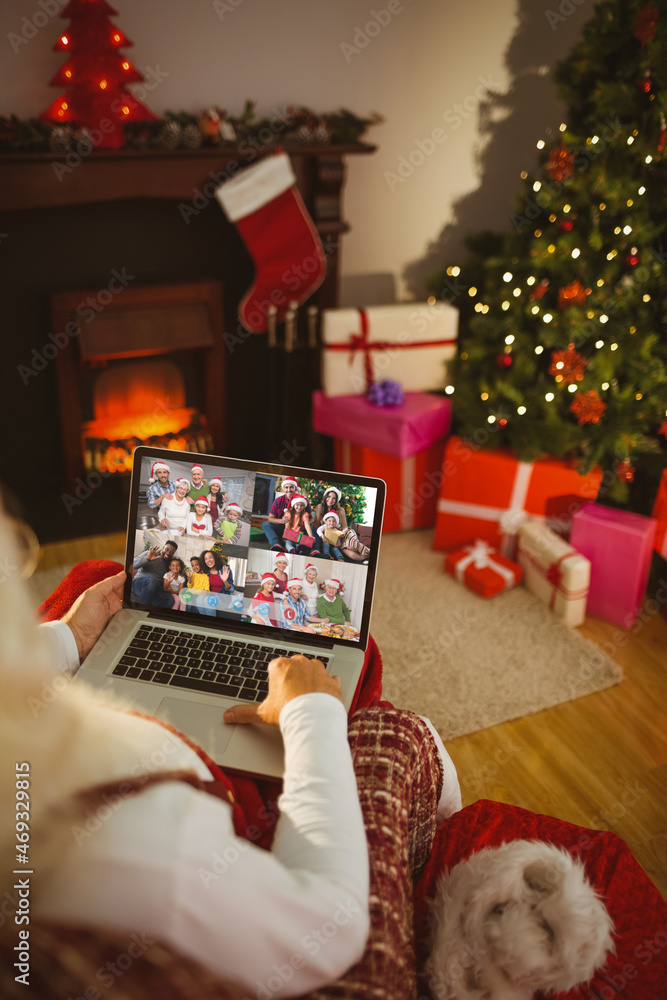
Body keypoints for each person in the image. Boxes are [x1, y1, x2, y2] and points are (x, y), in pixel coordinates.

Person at [3, 501, 463, 999]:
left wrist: (71, 637)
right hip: (215, 797)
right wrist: (311, 710)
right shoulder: (124, 833)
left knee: (100, 577)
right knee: (373, 683)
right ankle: (443, 836)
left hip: (109, 691)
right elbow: (325, 930)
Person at [261, 476, 314, 552]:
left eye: (291, 487)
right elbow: (270, 518)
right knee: (265, 524)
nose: (289, 490)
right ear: (284, 488)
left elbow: (311, 518)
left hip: (299, 528)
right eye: (286, 487)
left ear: (295, 488)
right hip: (282, 526)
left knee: (312, 531)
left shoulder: (304, 501)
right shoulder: (278, 500)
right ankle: (276, 544)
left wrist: (303, 525)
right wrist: (281, 521)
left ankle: (303, 549)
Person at [131, 538, 179, 607]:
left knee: (170, 600)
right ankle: (143, 610)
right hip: (138, 584)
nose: (168, 553)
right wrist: (147, 559)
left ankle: (153, 612)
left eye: (171, 552)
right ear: (163, 548)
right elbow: (133, 565)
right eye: (167, 549)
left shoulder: (168, 565)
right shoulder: (150, 554)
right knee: (152, 580)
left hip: (154, 588)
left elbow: (163, 581)